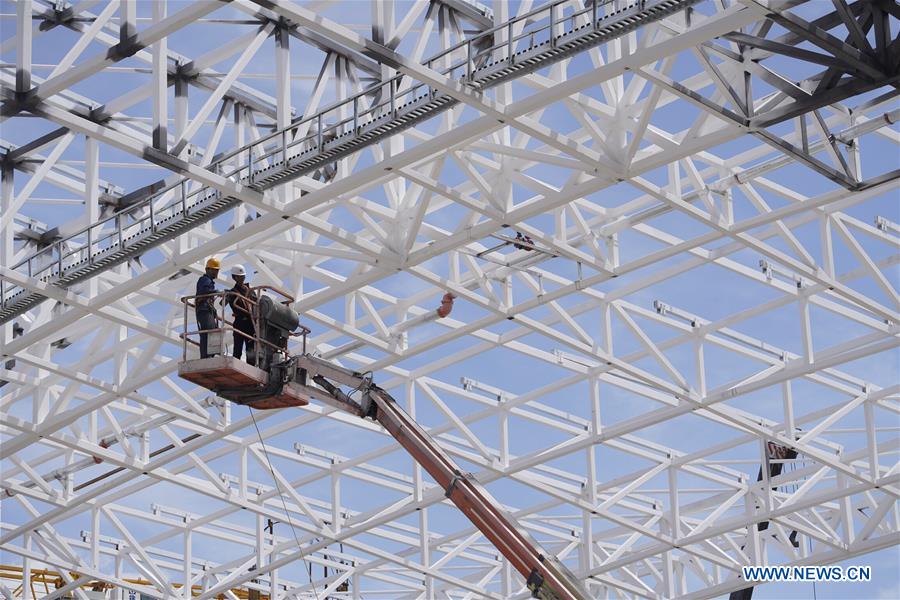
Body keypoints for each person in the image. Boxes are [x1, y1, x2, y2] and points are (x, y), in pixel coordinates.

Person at [227, 265, 257, 365]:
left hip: (250, 323)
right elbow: (234, 307)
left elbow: (257, 304)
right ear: (234, 277)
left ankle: (251, 367)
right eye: (239, 276)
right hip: (240, 322)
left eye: (243, 276)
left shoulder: (250, 291)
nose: (242, 278)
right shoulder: (232, 293)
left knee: (251, 350)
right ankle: (235, 364)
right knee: (237, 349)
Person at [196, 257, 220, 358]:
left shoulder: (207, 280)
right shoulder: (205, 280)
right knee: (208, 333)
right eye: (215, 270)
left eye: (217, 270)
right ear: (208, 270)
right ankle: (206, 356)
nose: (216, 272)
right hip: (204, 310)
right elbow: (203, 292)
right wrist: (215, 292)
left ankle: (210, 354)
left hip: (207, 310)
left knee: (212, 332)